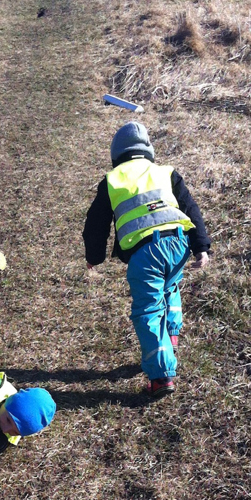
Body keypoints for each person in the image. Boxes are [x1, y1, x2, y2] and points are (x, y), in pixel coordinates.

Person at [82, 121, 210, 397]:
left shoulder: (113, 180)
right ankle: (171, 336)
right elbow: (191, 208)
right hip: (179, 243)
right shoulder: (166, 172)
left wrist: (94, 257)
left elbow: (97, 223)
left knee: (148, 310)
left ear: (116, 155)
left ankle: (161, 375)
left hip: (145, 252)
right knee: (170, 288)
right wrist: (201, 246)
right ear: (148, 151)